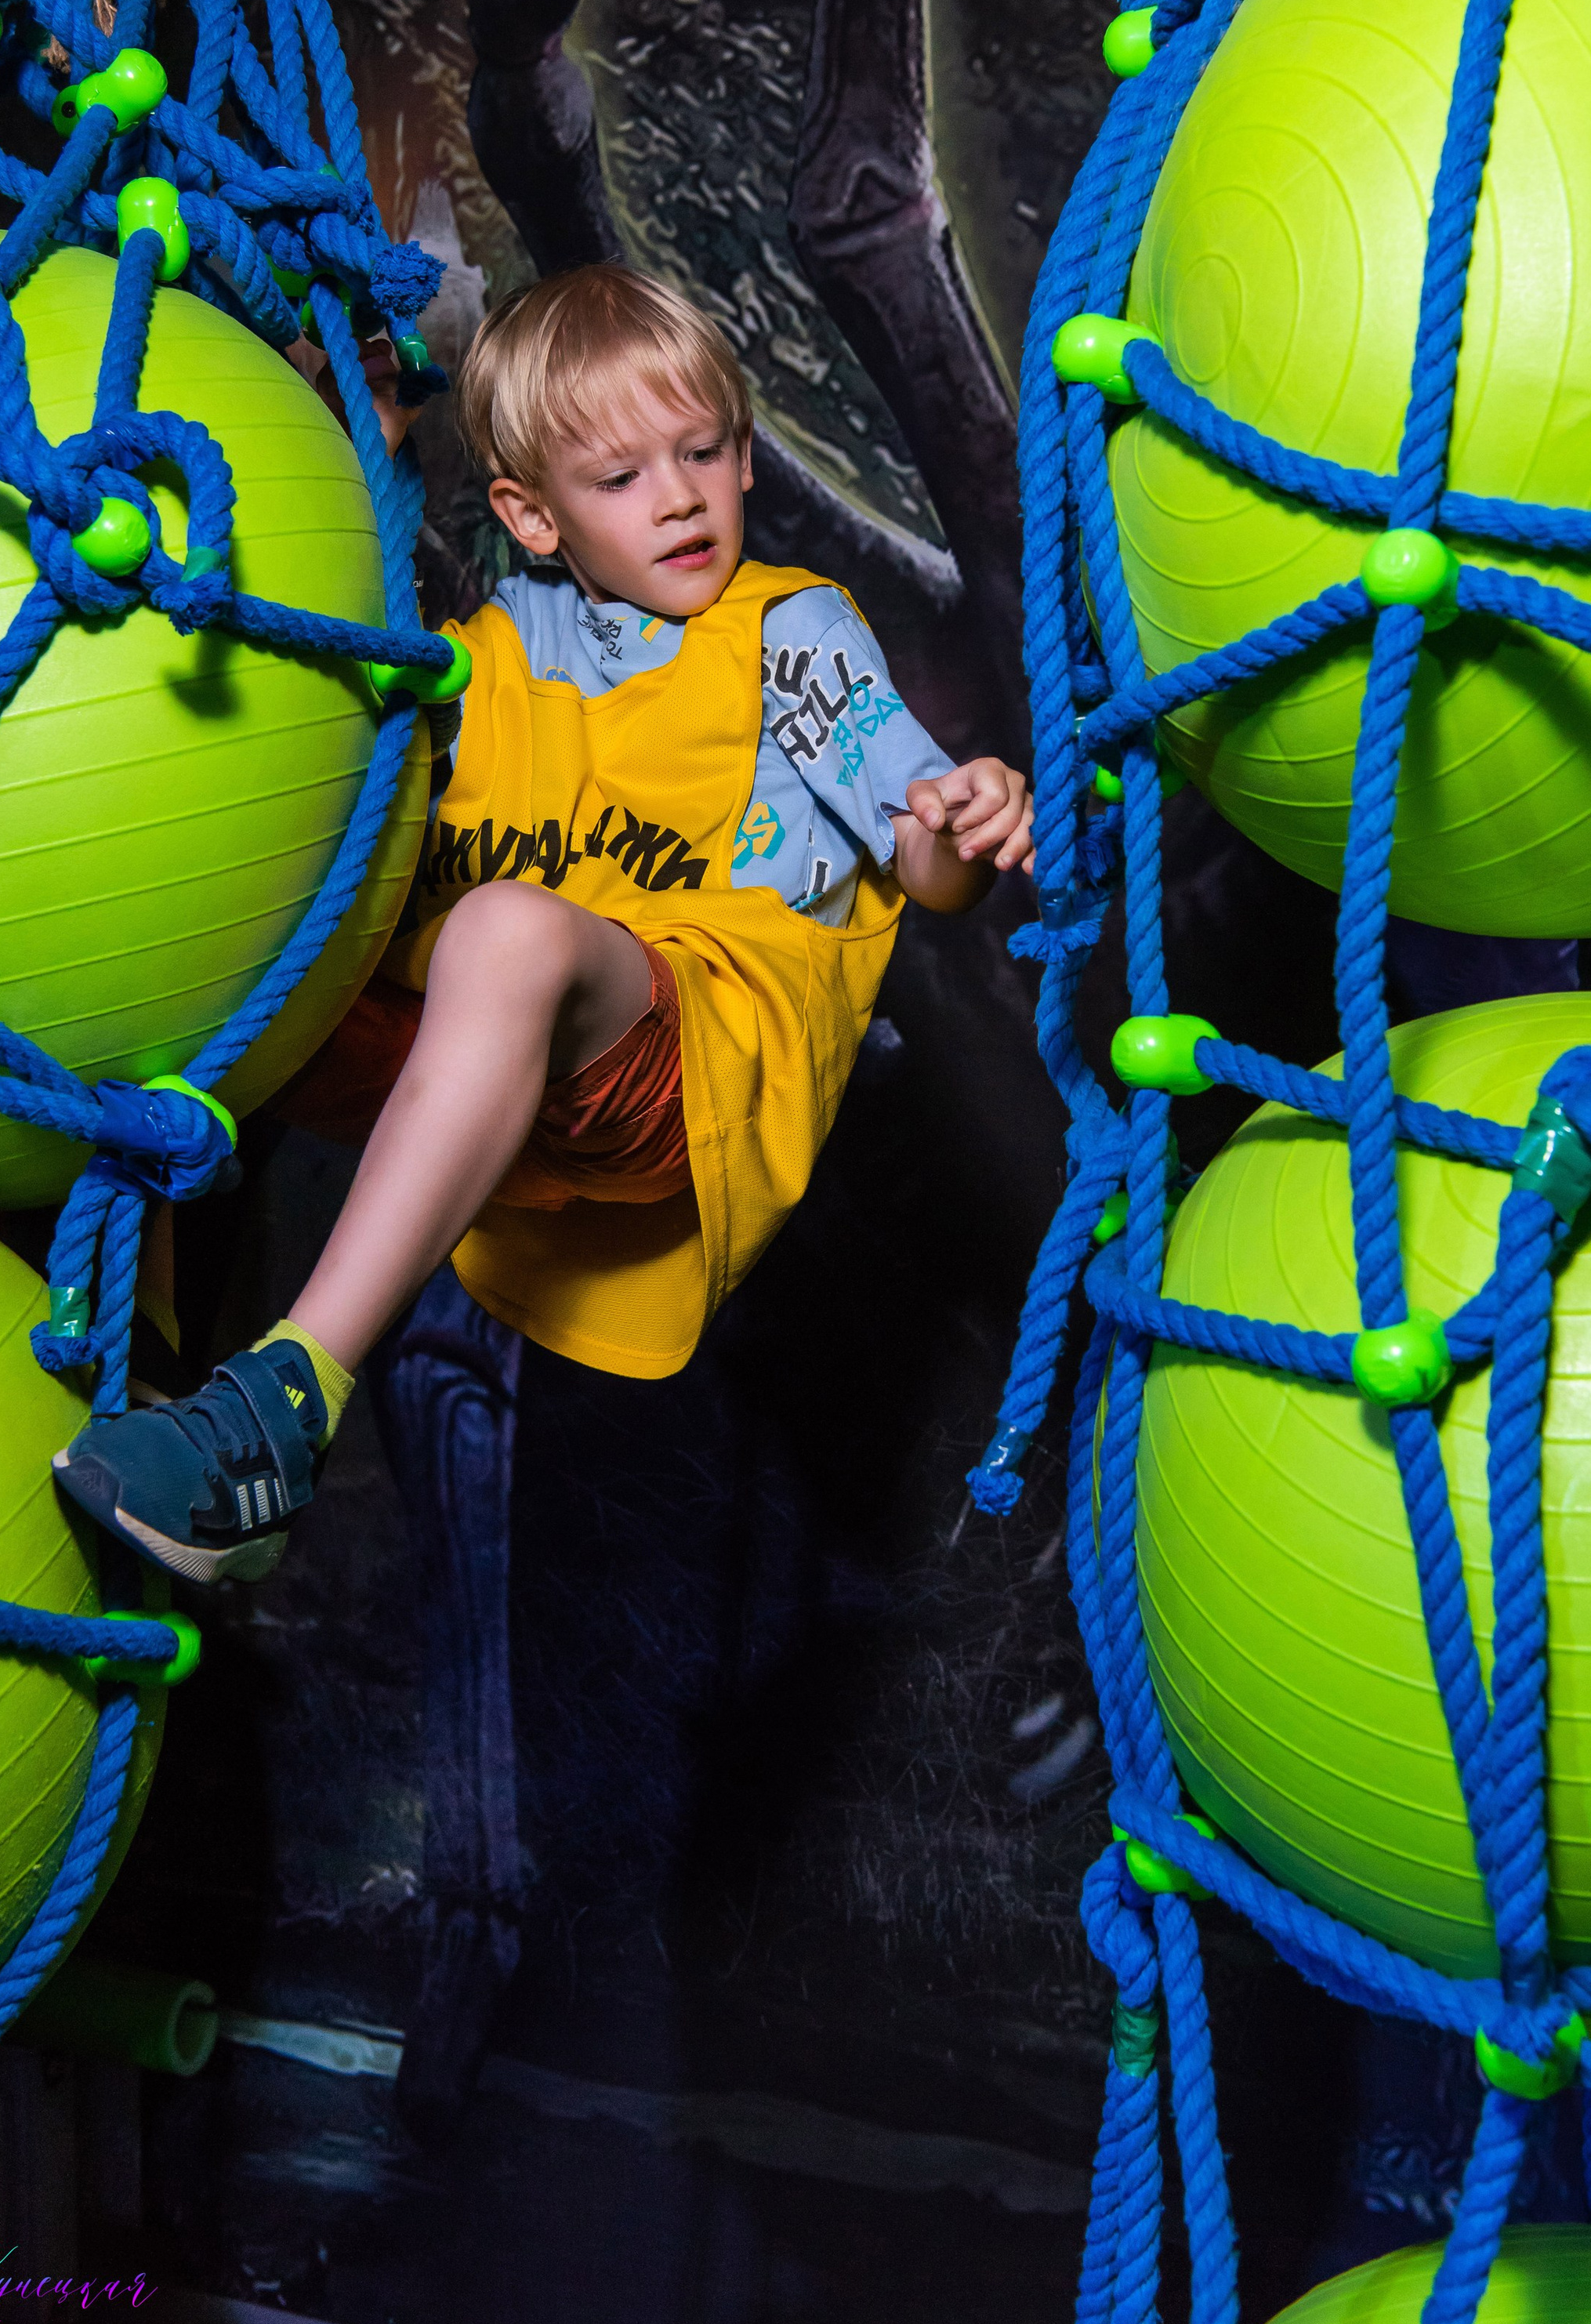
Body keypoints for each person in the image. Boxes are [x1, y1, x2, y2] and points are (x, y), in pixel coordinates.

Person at [54, 265, 1033, 1582]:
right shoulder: (498, 649)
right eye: (620, 478)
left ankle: (286, 1409)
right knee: (199, 927)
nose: (680, 497)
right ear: (531, 515)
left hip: (684, 1068)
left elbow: (915, 844)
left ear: (746, 458)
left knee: (507, 932)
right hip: (491, 1071)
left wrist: (960, 818)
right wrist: (351, 454)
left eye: (703, 452)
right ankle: (147, 1350)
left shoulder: (791, 634)